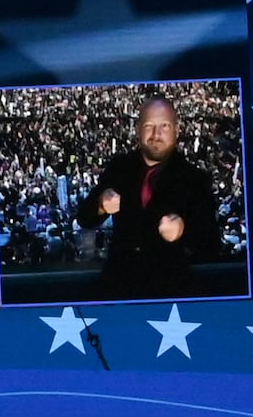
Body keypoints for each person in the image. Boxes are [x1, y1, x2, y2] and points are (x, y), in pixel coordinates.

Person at [89, 96, 222, 295]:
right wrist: (101, 203)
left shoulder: (195, 179)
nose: (156, 135)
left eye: (164, 126)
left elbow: (211, 244)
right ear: (138, 129)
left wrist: (183, 230)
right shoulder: (119, 168)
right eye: (149, 126)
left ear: (176, 130)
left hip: (170, 289)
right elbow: (85, 218)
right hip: (119, 285)